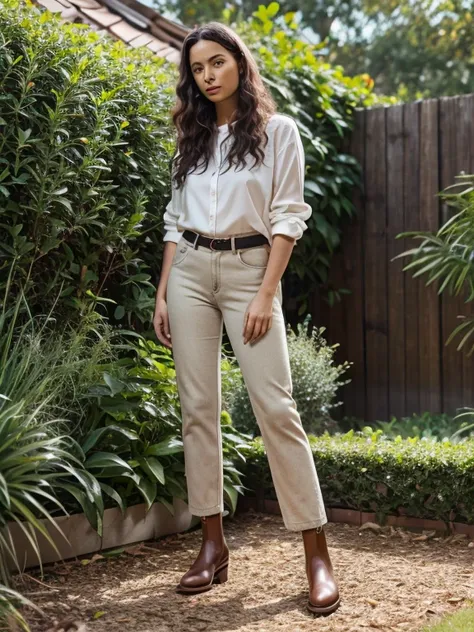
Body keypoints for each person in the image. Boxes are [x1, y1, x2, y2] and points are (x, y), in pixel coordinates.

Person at [153, 21, 340, 616]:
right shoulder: (193, 138)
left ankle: (316, 553)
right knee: (197, 408)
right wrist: (163, 291)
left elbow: (288, 215)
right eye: (198, 68)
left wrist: (265, 293)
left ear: (239, 61)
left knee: (276, 406)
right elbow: (174, 222)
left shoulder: (279, 132)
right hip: (189, 274)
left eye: (217, 63)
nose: (207, 76)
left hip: (249, 274)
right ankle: (212, 546)